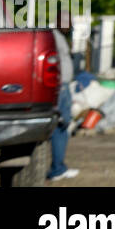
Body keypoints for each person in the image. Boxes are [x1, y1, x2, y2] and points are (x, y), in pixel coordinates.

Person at [46, 26, 79, 182]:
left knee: (62, 126)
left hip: (63, 86)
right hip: (59, 87)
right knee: (61, 125)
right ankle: (57, 168)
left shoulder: (59, 36)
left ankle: (59, 167)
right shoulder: (53, 35)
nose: (69, 25)